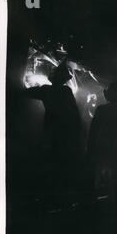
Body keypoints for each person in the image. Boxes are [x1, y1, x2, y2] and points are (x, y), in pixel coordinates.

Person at [22, 60, 82, 196]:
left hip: (50, 128)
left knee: (50, 159)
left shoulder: (46, 90)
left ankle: (49, 190)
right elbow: (74, 112)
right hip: (64, 130)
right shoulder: (66, 91)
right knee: (61, 160)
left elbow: (26, 92)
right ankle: (60, 190)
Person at [87, 81, 117, 208]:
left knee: (100, 177)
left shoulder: (101, 110)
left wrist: (90, 149)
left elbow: (93, 130)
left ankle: (98, 206)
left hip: (104, 147)